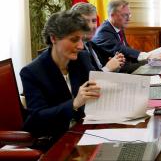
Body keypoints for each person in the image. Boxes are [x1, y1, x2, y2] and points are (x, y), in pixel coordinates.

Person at [20, 10, 101, 146]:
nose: (81, 46)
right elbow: (37, 119)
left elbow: (96, 89)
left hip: (84, 132)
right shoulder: (32, 72)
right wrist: (74, 104)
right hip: (54, 141)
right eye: (74, 39)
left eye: (82, 39)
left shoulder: (82, 58)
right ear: (54, 38)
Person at [92, 0, 161, 72]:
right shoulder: (103, 31)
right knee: (155, 64)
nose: (129, 19)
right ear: (112, 15)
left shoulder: (118, 27)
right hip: (116, 73)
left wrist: (151, 56)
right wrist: (148, 56)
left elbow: (128, 50)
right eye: (125, 15)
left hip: (125, 67)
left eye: (129, 15)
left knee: (159, 64)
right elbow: (120, 49)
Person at [71, 2, 125, 72]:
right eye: (85, 22)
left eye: (94, 21)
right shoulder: (74, 50)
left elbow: (100, 70)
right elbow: (88, 80)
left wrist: (116, 64)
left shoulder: (93, 45)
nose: (91, 26)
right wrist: (108, 68)